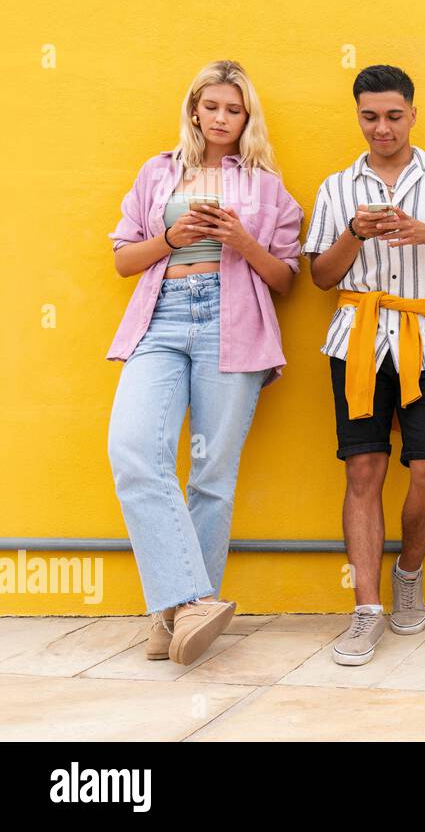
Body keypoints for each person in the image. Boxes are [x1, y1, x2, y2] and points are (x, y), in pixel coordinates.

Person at [106, 59, 303, 664]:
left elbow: (287, 280)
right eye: (211, 106)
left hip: (232, 320)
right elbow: (122, 259)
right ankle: (190, 599)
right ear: (194, 109)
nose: (221, 118)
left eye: (234, 109)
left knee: (211, 474)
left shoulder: (267, 186)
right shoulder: (158, 172)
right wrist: (172, 239)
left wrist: (241, 240)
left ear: (248, 118)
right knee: (134, 450)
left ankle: (176, 618)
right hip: (162, 316)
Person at [303, 64, 425, 666]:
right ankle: (364, 610)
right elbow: (322, 277)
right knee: (363, 472)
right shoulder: (335, 187)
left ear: (413, 112)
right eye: (369, 116)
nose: (381, 127)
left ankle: (408, 571)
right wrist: (355, 233)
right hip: (356, 340)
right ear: (357, 115)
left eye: (393, 115)